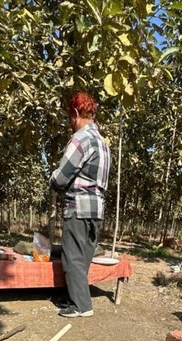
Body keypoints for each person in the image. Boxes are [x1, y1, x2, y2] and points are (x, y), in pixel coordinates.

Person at [50, 91, 111, 318]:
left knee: (72, 256)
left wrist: (53, 177)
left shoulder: (81, 139)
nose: (70, 122)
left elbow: (60, 179)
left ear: (75, 113)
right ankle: (74, 298)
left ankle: (81, 306)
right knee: (83, 257)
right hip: (97, 210)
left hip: (78, 207)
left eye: (70, 117)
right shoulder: (103, 144)